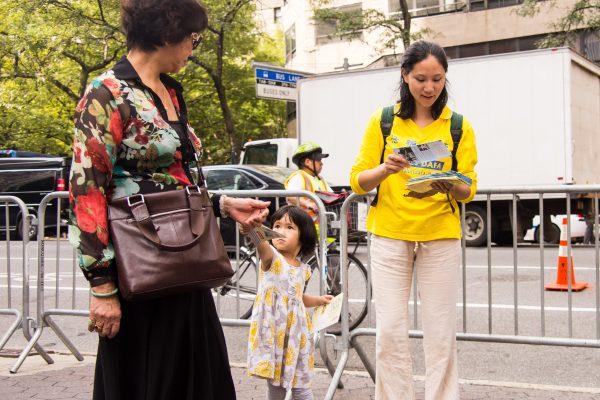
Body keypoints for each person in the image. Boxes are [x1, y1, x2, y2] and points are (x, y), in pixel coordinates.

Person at [68, 1, 269, 399]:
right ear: (165, 33)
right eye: (192, 38)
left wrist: (222, 207)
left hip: (186, 263)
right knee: (147, 380)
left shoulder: (171, 92)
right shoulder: (105, 95)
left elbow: (175, 178)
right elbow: (86, 190)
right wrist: (102, 286)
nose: (194, 48)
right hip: (138, 268)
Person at [350, 41, 478, 400]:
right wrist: (385, 168)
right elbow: (358, 180)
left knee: (441, 333)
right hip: (390, 235)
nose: (429, 87)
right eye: (420, 78)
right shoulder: (384, 120)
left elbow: (470, 188)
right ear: (405, 76)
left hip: (440, 236)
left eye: (437, 79)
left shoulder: (458, 126)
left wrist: (453, 185)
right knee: (390, 330)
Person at [243, 205, 333, 400]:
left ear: (304, 236)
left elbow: (297, 297)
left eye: (289, 227)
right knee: (276, 386)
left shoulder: (303, 269)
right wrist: (254, 229)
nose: (280, 231)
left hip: (295, 336)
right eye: (276, 225)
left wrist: (318, 300)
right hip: (274, 331)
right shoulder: (272, 259)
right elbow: (262, 247)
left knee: (301, 386)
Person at [285, 142, 333, 219]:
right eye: (318, 160)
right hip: (303, 225)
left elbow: (331, 196)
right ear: (307, 162)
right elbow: (290, 195)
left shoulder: (319, 179)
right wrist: (308, 204)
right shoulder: (299, 176)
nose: (321, 163)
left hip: (319, 226)